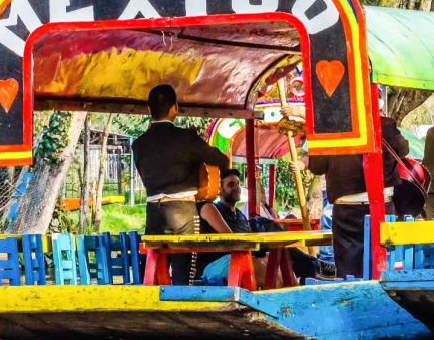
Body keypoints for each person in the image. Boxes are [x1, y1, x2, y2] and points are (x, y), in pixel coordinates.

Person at [285, 90, 409, 279]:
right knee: (383, 268)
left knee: (348, 271)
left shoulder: (334, 129)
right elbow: (403, 149)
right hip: (383, 207)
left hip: (347, 211)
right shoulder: (386, 125)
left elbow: (317, 166)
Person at [131, 83, 230, 284]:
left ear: (149, 110)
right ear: (174, 108)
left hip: (153, 213)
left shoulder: (138, 144)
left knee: (156, 270)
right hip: (182, 212)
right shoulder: (185, 138)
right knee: (183, 273)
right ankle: (184, 312)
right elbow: (221, 160)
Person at [201, 168, 335, 284]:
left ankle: (311, 269)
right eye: (231, 184)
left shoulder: (240, 215)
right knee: (274, 268)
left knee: (284, 263)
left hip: (242, 256)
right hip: (223, 261)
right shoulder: (213, 209)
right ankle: (313, 267)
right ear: (220, 190)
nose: (236, 187)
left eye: (237, 183)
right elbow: (232, 241)